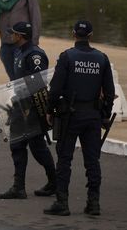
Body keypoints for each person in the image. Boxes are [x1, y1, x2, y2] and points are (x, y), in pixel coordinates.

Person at [44, 20, 115, 217]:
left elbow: (56, 88)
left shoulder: (67, 57)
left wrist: (49, 110)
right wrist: (105, 115)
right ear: (90, 36)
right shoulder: (102, 59)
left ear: (73, 34)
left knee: (64, 159)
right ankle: (93, 203)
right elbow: (109, 91)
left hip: (70, 116)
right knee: (92, 160)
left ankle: (62, 202)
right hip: (92, 116)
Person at [0, 21, 56, 200]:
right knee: (17, 145)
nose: (11, 35)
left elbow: (38, 84)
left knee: (37, 147)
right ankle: (18, 187)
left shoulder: (35, 55)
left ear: (20, 36)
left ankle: (54, 181)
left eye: (13, 33)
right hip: (19, 105)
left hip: (30, 108)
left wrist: (29, 108)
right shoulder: (18, 51)